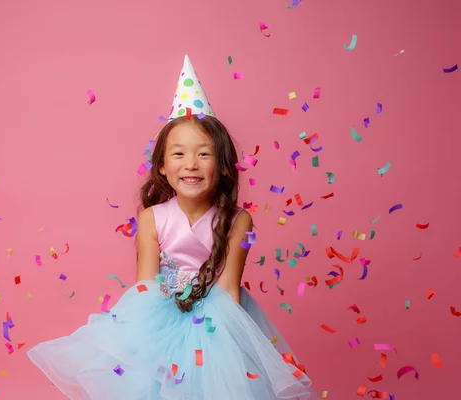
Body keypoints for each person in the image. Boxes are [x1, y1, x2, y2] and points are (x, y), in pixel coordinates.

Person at [27, 55, 318, 400]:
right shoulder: (153, 218)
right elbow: (145, 288)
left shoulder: (239, 221)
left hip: (218, 324)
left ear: (225, 167)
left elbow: (227, 294)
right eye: (178, 154)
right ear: (162, 166)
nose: (191, 164)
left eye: (204, 154)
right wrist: (150, 333)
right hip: (160, 314)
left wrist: (219, 351)